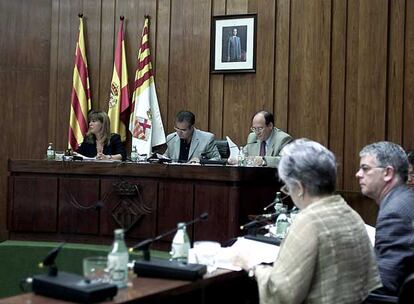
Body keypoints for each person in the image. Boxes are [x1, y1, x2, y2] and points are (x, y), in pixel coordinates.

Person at [235, 139, 381, 303]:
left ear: (299, 187)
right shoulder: (351, 214)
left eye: (287, 188)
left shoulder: (309, 222)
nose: (288, 193)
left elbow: (280, 294)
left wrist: (252, 267)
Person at [356, 141, 414, 296]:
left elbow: (384, 284)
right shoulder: (405, 198)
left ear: (387, 173)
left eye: (365, 169)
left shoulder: (395, 213)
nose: (358, 174)